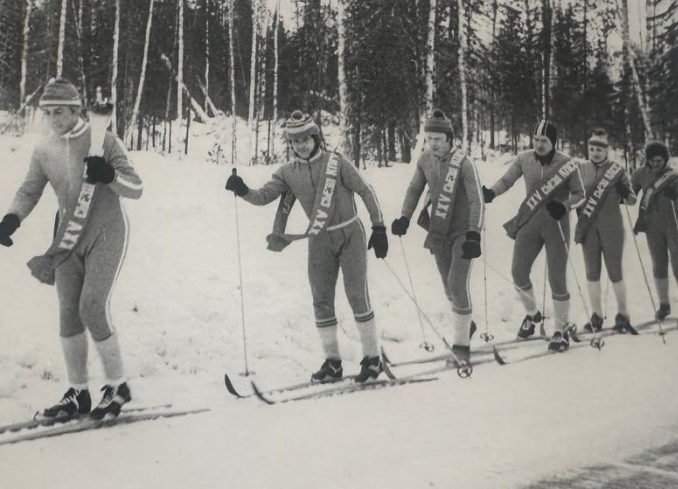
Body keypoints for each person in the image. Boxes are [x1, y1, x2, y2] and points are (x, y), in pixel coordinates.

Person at [0, 78, 144, 421]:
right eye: (47, 113)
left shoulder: (103, 141)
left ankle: (117, 385)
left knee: (92, 306)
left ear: (76, 110)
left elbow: (135, 187)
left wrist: (108, 174)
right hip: (68, 238)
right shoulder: (44, 150)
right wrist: (11, 218)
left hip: (106, 234)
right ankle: (78, 393)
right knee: (68, 313)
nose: (53, 119)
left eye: (59, 112)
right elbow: (29, 190)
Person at [224, 110, 390, 383]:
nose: (301, 145)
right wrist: (242, 190)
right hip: (319, 240)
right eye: (295, 141)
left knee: (356, 295)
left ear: (315, 138)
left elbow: (364, 190)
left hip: (350, 235)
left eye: (305, 139)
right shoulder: (288, 172)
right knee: (321, 300)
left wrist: (379, 227)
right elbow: (264, 196)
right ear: (290, 144)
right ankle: (333, 363)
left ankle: (373, 359)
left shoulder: (336, 162)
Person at [482, 120, 585, 351]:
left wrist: (565, 206)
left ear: (553, 143)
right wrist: (491, 192)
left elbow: (580, 194)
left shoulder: (568, 164)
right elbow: (507, 180)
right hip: (530, 221)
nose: (539, 144)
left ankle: (560, 329)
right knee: (518, 272)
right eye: (536, 140)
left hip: (556, 224)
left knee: (556, 278)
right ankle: (532, 315)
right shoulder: (524, 158)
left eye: (544, 141)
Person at [392, 110, 484, 366]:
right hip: (439, 230)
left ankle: (462, 346)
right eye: (429, 138)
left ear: (450, 138)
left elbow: (477, 200)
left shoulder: (464, 163)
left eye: (437, 139)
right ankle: (466, 325)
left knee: (456, 281)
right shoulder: (425, 160)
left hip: (464, 232)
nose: (432, 144)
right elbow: (414, 189)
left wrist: (474, 235)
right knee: (447, 284)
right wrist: (404, 218)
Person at [574, 129, 637, 333]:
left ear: (606, 150)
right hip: (589, 229)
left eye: (599, 149)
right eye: (592, 149)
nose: (595, 153)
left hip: (612, 229)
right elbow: (573, 195)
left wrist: (626, 193)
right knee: (592, 273)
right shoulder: (581, 169)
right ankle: (597, 315)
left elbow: (632, 200)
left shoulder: (616, 170)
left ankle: (623, 314)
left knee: (614, 271)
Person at [630, 141, 678, 327]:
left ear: (665, 159)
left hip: (675, 226)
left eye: (659, 160)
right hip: (653, 227)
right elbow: (631, 196)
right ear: (647, 160)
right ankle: (664, 305)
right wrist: (622, 194)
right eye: (652, 160)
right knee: (658, 265)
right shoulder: (641, 174)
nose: (656, 163)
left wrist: (675, 196)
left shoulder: (675, 178)